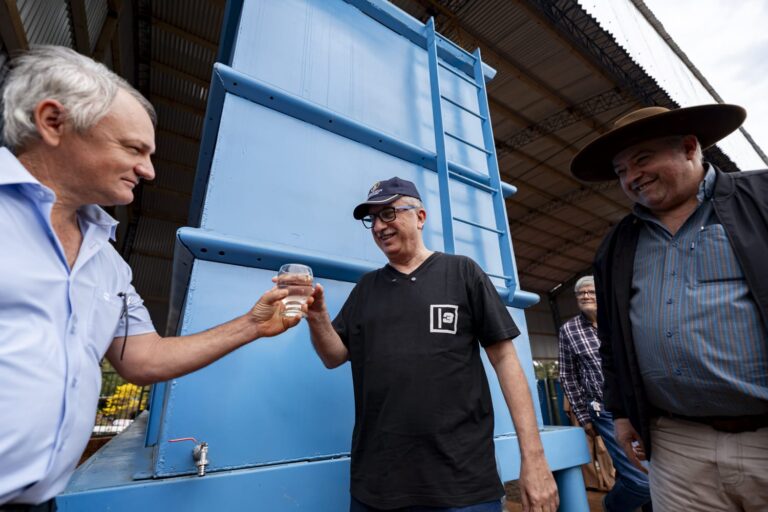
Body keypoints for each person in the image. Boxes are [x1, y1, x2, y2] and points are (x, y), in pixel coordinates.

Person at [0, 46, 308, 510]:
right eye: (133, 148)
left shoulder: (106, 260)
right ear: (53, 122)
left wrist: (251, 325)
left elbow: (142, 359)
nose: (148, 170)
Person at [306, 177, 558, 512]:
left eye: (389, 214)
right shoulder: (366, 289)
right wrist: (317, 317)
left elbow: (505, 360)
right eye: (373, 219)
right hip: (378, 485)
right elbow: (334, 356)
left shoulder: (463, 273)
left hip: (462, 483)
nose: (380, 226)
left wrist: (534, 458)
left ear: (420, 216)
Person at [571, 104, 768, 510]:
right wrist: (622, 413)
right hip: (675, 444)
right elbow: (612, 338)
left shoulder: (760, 199)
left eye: (642, 159)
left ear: (690, 147)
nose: (631, 177)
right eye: (621, 170)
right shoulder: (619, 242)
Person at [558, 276, 651, 511]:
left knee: (651, 471)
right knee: (643, 480)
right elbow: (568, 376)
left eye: (591, 292)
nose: (586, 297)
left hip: (643, 407)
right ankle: (611, 504)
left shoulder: (621, 321)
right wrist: (584, 417)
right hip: (605, 411)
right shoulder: (569, 330)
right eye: (581, 294)